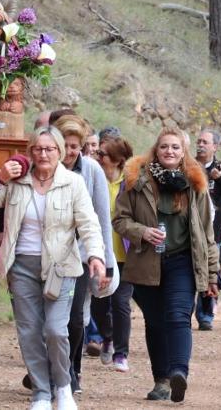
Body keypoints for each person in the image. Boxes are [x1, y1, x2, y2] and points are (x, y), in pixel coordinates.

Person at [0, 126, 107, 410]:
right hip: (21, 265)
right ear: (30, 151)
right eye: (37, 149)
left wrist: (96, 255)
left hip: (61, 267)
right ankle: (41, 393)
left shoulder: (73, 182)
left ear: (59, 152)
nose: (43, 154)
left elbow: (89, 223)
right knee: (30, 331)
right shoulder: (16, 180)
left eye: (50, 149)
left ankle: (63, 386)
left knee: (57, 330)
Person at [114, 128, 219, 403]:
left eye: (175, 147)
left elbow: (208, 232)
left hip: (183, 261)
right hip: (147, 261)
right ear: (156, 150)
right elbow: (120, 220)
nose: (169, 152)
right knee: (155, 322)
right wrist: (142, 232)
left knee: (178, 316)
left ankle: (178, 373)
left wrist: (212, 272)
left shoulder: (195, 183)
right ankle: (160, 380)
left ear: (183, 152)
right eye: (164, 147)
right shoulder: (136, 180)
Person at [53, 114, 115, 396]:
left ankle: (71, 369)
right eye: (64, 145)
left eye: (75, 147)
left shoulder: (91, 170)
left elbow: (103, 219)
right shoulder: (44, 166)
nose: (69, 152)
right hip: (47, 256)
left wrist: (106, 262)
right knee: (50, 320)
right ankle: (52, 370)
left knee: (75, 319)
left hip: (79, 257)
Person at [91, 135, 134, 372]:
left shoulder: (131, 182)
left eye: (103, 154)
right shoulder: (93, 179)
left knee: (120, 303)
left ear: (117, 160)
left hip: (126, 254)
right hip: (100, 253)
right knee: (99, 302)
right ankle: (106, 336)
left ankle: (121, 352)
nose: (98, 157)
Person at [194, 128, 221, 331]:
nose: (201, 145)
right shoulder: (188, 165)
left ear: (215, 147)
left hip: (214, 234)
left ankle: (205, 314)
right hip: (189, 232)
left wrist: (219, 178)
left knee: (212, 272)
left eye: (205, 142)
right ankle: (184, 312)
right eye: (199, 141)